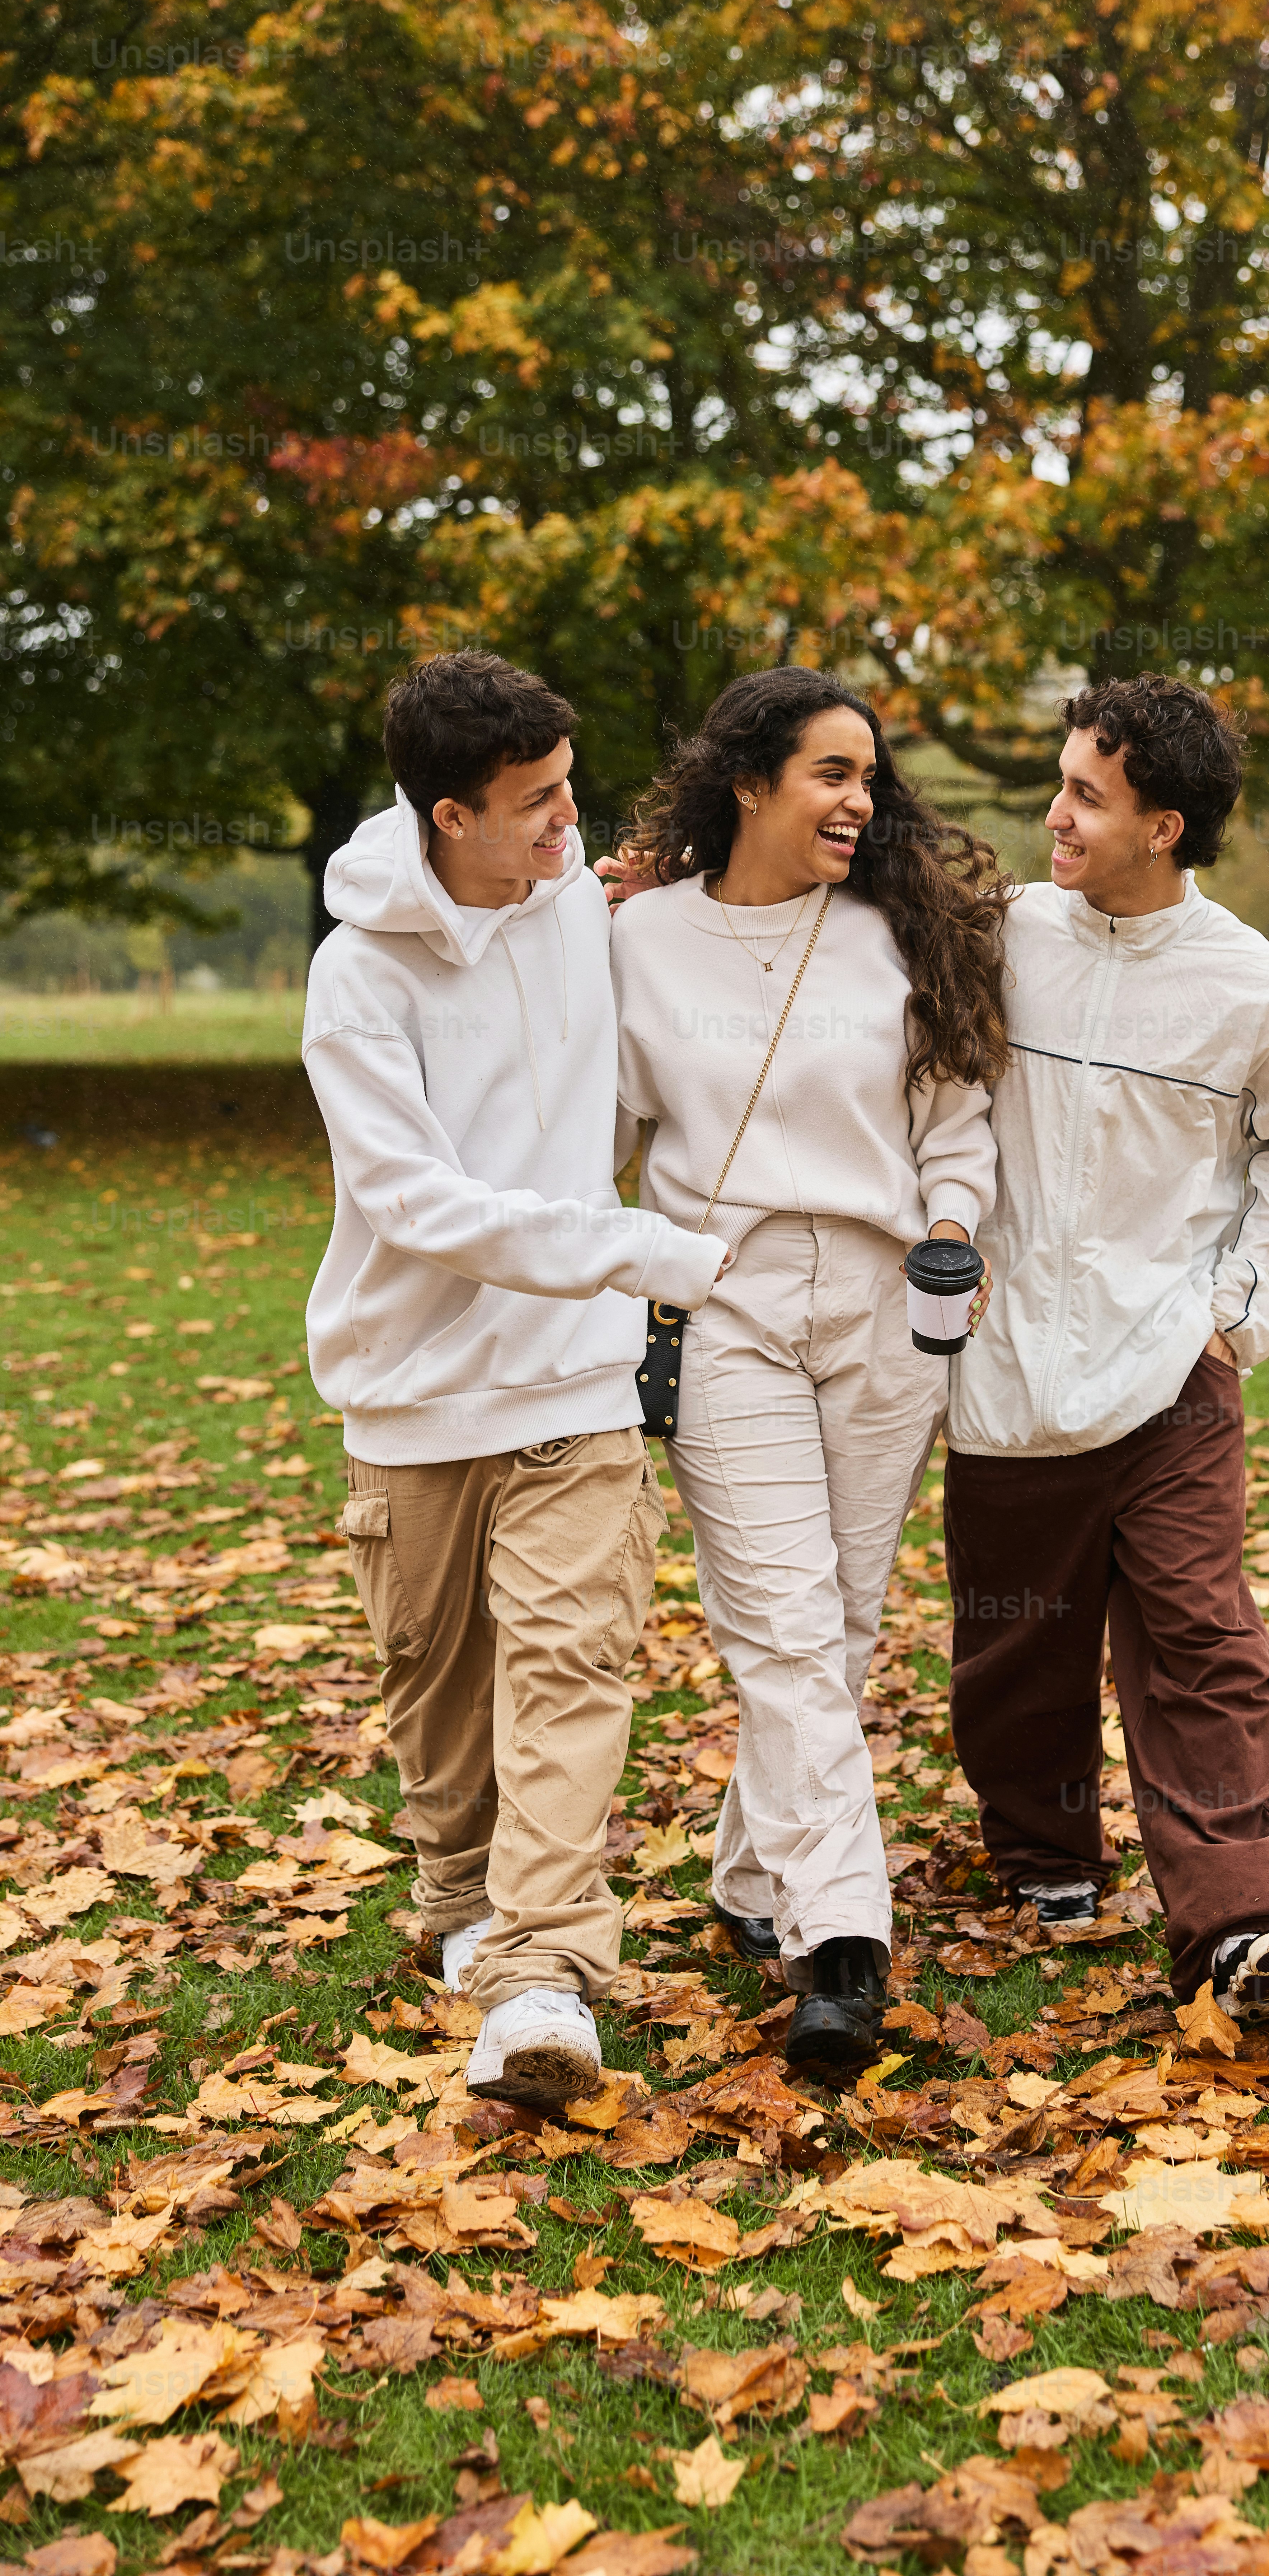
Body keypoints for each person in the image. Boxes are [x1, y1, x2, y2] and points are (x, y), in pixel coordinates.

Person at [301, 650, 726, 2110]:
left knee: (572, 1663)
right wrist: (629, 1244)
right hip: (414, 1397)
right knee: (441, 1707)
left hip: (575, 1387)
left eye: (570, 791)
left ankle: (543, 1982)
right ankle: (470, 1903)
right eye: (535, 806)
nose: (566, 826)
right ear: (445, 817)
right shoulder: (357, 979)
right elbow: (414, 1203)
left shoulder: (575, 908)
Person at [943, 674, 1269, 2026]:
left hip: (1170, 1373)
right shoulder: (999, 937)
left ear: (1164, 827)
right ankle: (1043, 1854)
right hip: (1005, 1372)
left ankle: (1246, 1918)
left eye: (1085, 795)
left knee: (1202, 1637)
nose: (1054, 815)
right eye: (1062, 782)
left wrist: (1235, 1310)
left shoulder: (1250, 990)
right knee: (1016, 1647)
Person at [609, 667, 1007, 2071]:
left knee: (830, 1628)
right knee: (777, 1628)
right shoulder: (637, 939)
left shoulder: (899, 932)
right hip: (729, 1309)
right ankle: (845, 1944)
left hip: (892, 1309)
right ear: (748, 781)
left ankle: (749, 1876)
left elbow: (954, 1125)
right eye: (832, 772)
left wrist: (952, 1229)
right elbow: (587, 1116)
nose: (860, 799)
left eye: (870, 776)